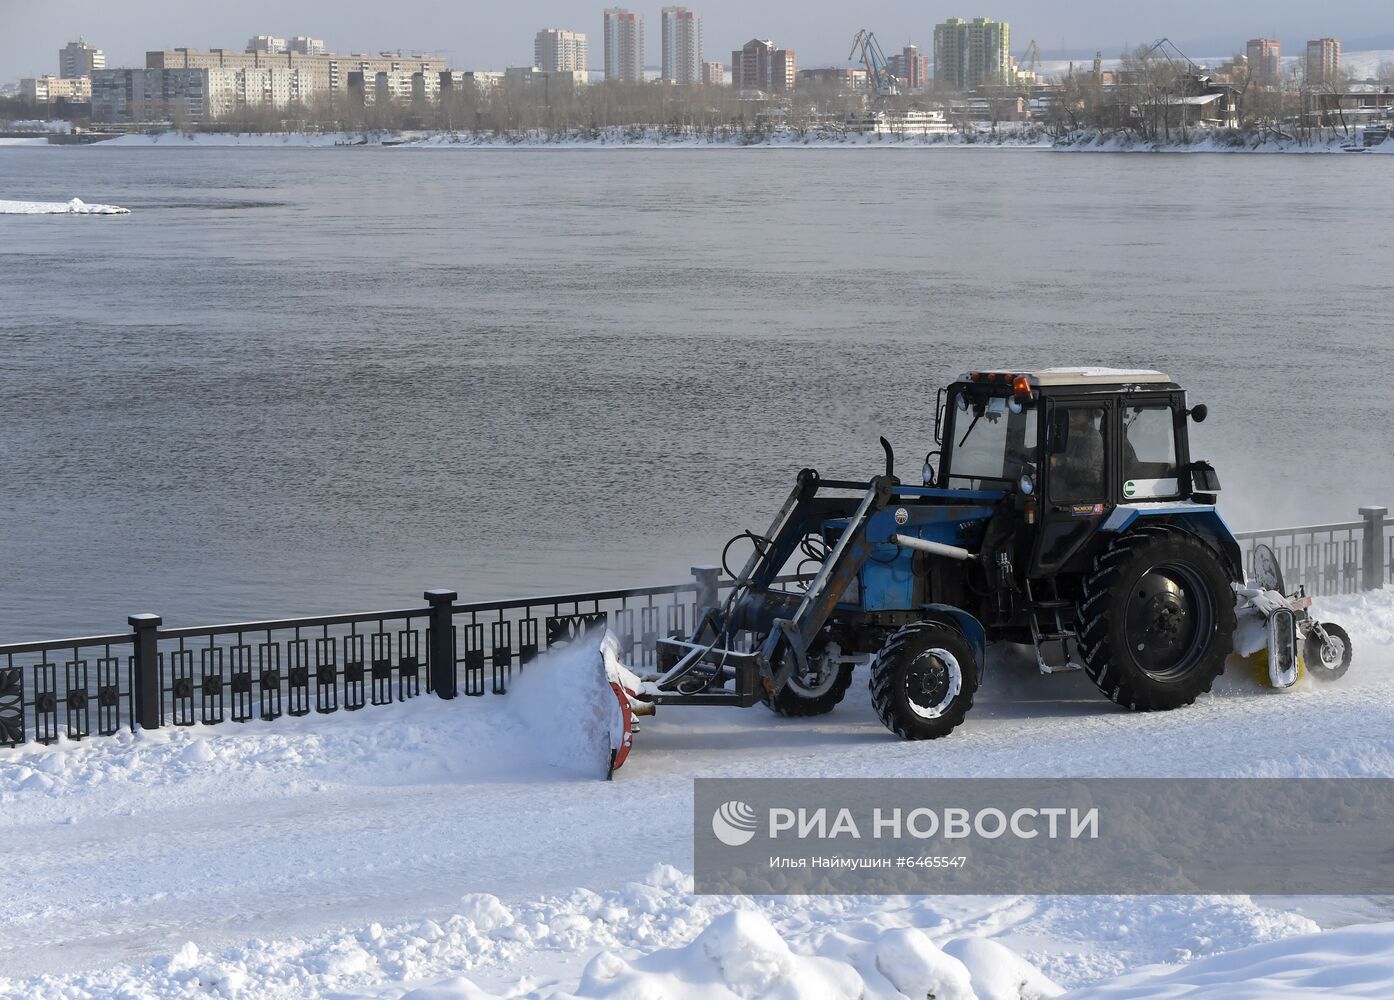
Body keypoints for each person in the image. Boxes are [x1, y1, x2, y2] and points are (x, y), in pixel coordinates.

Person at [1051, 409, 1104, 500]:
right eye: (1071, 414)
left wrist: (1058, 461)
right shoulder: (1075, 433)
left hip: (1087, 484)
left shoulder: (1092, 437)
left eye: (1076, 414)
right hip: (1072, 480)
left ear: (1087, 416)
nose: (1072, 418)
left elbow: (1084, 463)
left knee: (1054, 495)